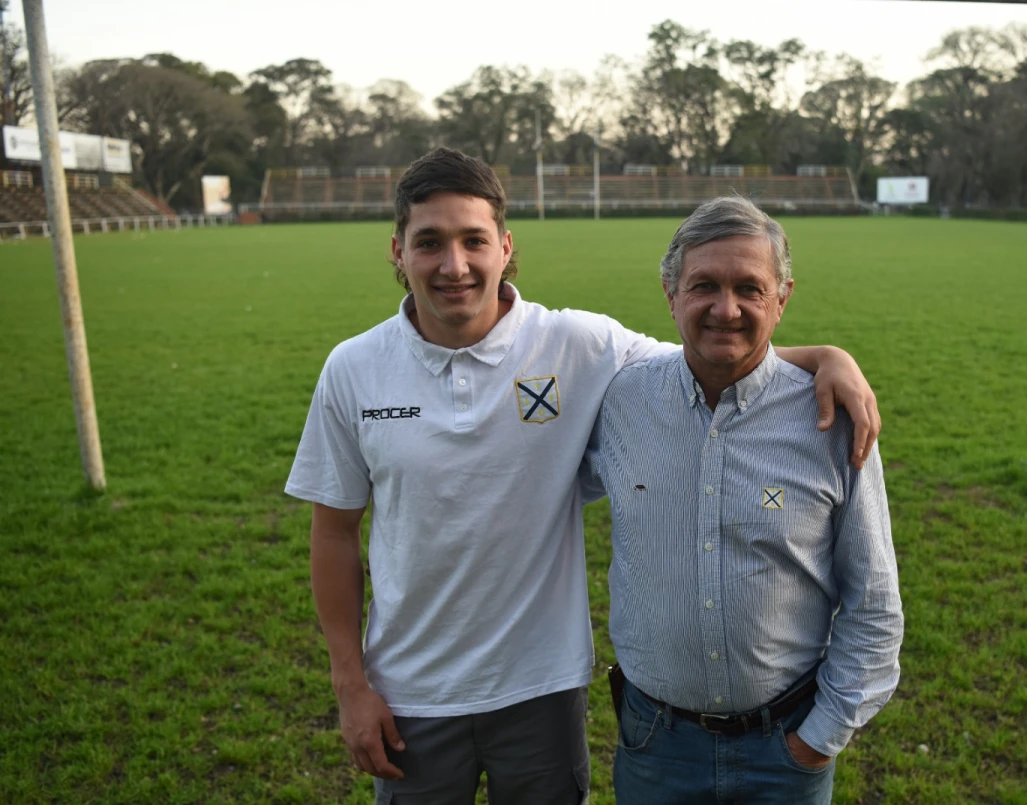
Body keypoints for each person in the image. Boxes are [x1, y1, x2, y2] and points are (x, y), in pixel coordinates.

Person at [284, 148, 882, 805]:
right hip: (409, 693)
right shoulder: (352, 368)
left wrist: (827, 357)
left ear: (505, 247)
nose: (454, 265)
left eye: (473, 240)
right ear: (397, 250)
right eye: (429, 242)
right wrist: (350, 683)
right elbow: (333, 533)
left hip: (542, 690)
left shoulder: (579, 344)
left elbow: (717, 350)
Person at [581, 196, 904, 805]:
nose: (725, 309)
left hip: (784, 749)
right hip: (655, 745)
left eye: (749, 289)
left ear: (782, 299)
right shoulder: (619, 402)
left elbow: (875, 602)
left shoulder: (831, 420)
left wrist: (819, 738)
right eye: (704, 285)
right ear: (670, 294)